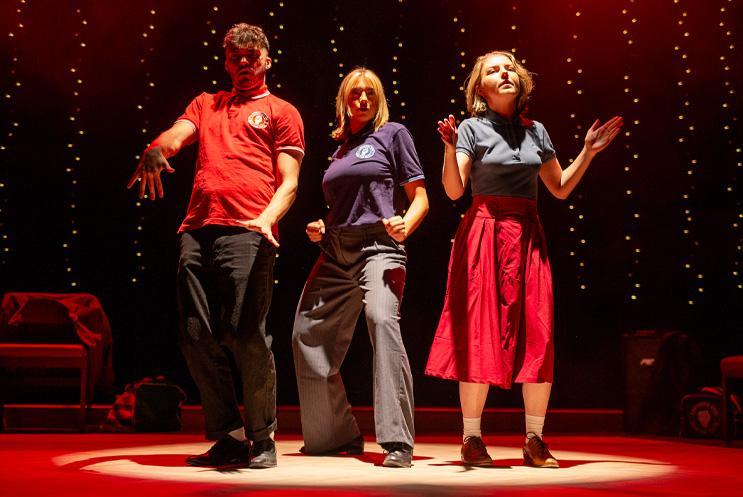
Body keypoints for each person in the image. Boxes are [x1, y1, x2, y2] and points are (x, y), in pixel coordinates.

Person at [425, 50, 622, 468]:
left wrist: (587, 152)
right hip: (484, 233)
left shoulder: (537, 131)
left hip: (528, 237)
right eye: (493, 70)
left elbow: (560, 188)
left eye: (509, 67)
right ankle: (472, 438)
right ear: (481, 90)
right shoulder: (472, 129)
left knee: (538, 331)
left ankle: (534, 438)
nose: (505, 72)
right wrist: (448, 147)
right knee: (478, 331)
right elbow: (456, 191)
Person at [126, 23, 304, 469]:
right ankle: (229, 436)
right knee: (195, 337)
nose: (243, 63)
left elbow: (290, 182)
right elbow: (175, 135)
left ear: (266, 60)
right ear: (226, 61)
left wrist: (266, 218)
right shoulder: (207, 103)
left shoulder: (282, 111)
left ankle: (262, 439)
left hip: (249, 230)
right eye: (234, 57)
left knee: (245, 336)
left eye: (251, 56)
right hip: (197, 229)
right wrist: (155, 148)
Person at [292, 68, 428, 468]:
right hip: (336, 249)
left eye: (371, 93)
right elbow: (344, 205)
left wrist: (407, 224)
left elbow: (419, 197)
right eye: (356, 93)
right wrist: (322, 225)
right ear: (345, 100)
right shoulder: (340, 148)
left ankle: (398, 441)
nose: (364, 99)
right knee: (306, 333)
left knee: (381, 320)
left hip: (380, 246)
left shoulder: (393, 134)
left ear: (379, 99)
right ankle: (336, 434)